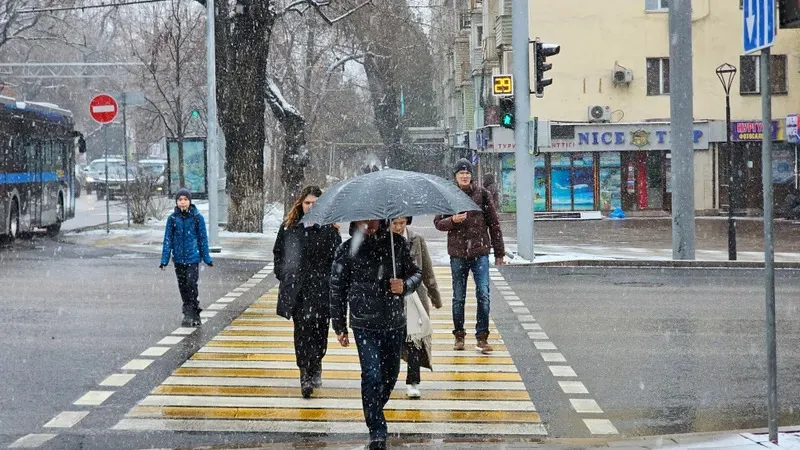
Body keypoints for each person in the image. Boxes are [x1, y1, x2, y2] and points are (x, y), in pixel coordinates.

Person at [330, 219, 422, 450]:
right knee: (372, 375)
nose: (369, 225)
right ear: (356, 221)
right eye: (364, 221)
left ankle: (373, 407)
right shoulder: (347, 248)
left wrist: (405, 285)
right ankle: (377, 429)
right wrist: (339, 326)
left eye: (373, 221)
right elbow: (337, 287)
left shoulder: (396, 243)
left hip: (393, 321)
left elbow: (416, 273)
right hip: (364, 323)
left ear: (381, 219)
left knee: (390, 374)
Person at [273, 186, 342, 399]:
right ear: (300, 204)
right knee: (302, 332)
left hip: (322, 290)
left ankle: (316, 363)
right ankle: (304, 373)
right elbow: (279, 254)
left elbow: (338, 259)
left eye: (315, 203)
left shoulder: (329, 229)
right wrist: (285, 275)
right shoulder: (290, 227)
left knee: (320, 331)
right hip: (299, 290)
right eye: (307, 203)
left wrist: (332, 280)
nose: (311, 207)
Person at [434, 158, 505, 354]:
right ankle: (459, 335)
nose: (464, 176)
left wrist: (499, 251)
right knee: (459, 297)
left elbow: (494, 224)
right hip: (458, 254)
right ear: (455, 176)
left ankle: (482, 337)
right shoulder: (448, 195)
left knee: (483, 294)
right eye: (461, 173)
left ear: (471, 176)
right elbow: (438, 223)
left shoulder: (482, 194)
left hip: (480, 252)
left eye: (467, 173)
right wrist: (453, 220)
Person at [390, 216, 442, 399]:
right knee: (392, 341)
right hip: (391, 298)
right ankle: (387, 379)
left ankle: (413, 381)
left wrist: (434, 295)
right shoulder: (382, 241)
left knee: (415, 339)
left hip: (414, 297)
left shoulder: (416, 239)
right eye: (395, 223)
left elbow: (426, 269)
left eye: (402, 223)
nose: (398, 227)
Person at [160, 188, 213, 327]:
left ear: (190, 201)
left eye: (185, 199)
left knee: (191, 284)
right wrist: (164, 260)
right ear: (176, 202)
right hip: (178, 258)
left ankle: (194, 312)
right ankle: (187, 312)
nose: (182, 202)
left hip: (193, 258)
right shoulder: (172, 219)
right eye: (180, 200)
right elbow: (167, 240)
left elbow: (203, 239)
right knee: (183, 286)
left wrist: (206, 257)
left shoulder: (197, 218)